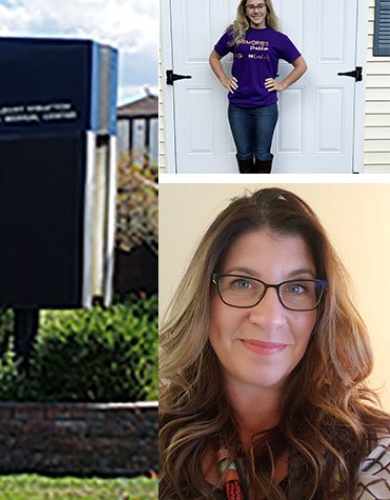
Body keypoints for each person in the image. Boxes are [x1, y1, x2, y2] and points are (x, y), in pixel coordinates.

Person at [159, 188, 390, 499]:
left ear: (321, 311)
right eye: (242, 283)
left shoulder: (373, 452)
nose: (270, 318)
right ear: (206, 299)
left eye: (297, 288)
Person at [209, 0, 307, 174]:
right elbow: (214, 58)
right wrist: (224, 79)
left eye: (260, 6)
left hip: (265, 106)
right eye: (251, 7)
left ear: (267, 9)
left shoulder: (278, 39)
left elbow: (301, 65)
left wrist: (282, 84)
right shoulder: (235, 34)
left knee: (262, 154)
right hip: (238, 106)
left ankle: (262, 191)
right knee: (243, 154)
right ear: (245, 10)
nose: (256, 11)